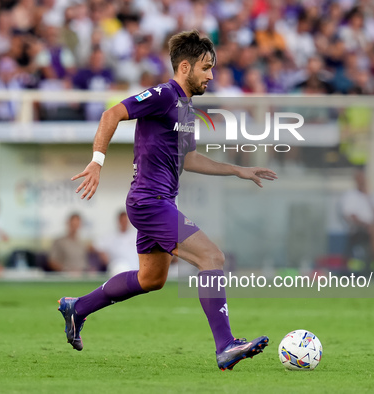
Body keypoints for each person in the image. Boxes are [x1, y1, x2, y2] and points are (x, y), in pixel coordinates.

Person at [58, 30, 277, 371]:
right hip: (150, 201)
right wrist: (97, 162)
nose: (211, 75)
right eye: (206, 67)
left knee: (151, 279)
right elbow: (110, 115)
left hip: (159, 202)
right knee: (212, 256)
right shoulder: (163, 94)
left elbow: (189, 159)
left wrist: (237, 169)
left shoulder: (185, 109)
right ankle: (225, 346)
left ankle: (78, 308)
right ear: (185, 66)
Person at [96, 210, 138, 276]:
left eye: (126, 221)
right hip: (116, 271)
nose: (124, 223)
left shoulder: (136, 236)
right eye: (122, 221)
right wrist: (108, 263)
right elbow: (99, 247)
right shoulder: (110, 236)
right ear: (119, 221)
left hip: (134, 272)